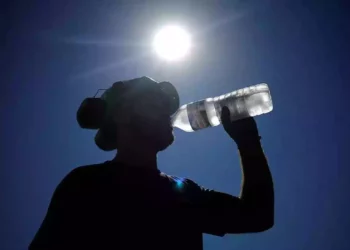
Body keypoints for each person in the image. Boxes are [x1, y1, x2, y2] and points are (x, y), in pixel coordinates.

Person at [29, 76, 274, 250]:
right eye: (153, 102)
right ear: (121, 114)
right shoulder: (86, 184)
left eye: (165, 105)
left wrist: (248, 141)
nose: (165, 113)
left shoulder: (185, 192)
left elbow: (257, 216)